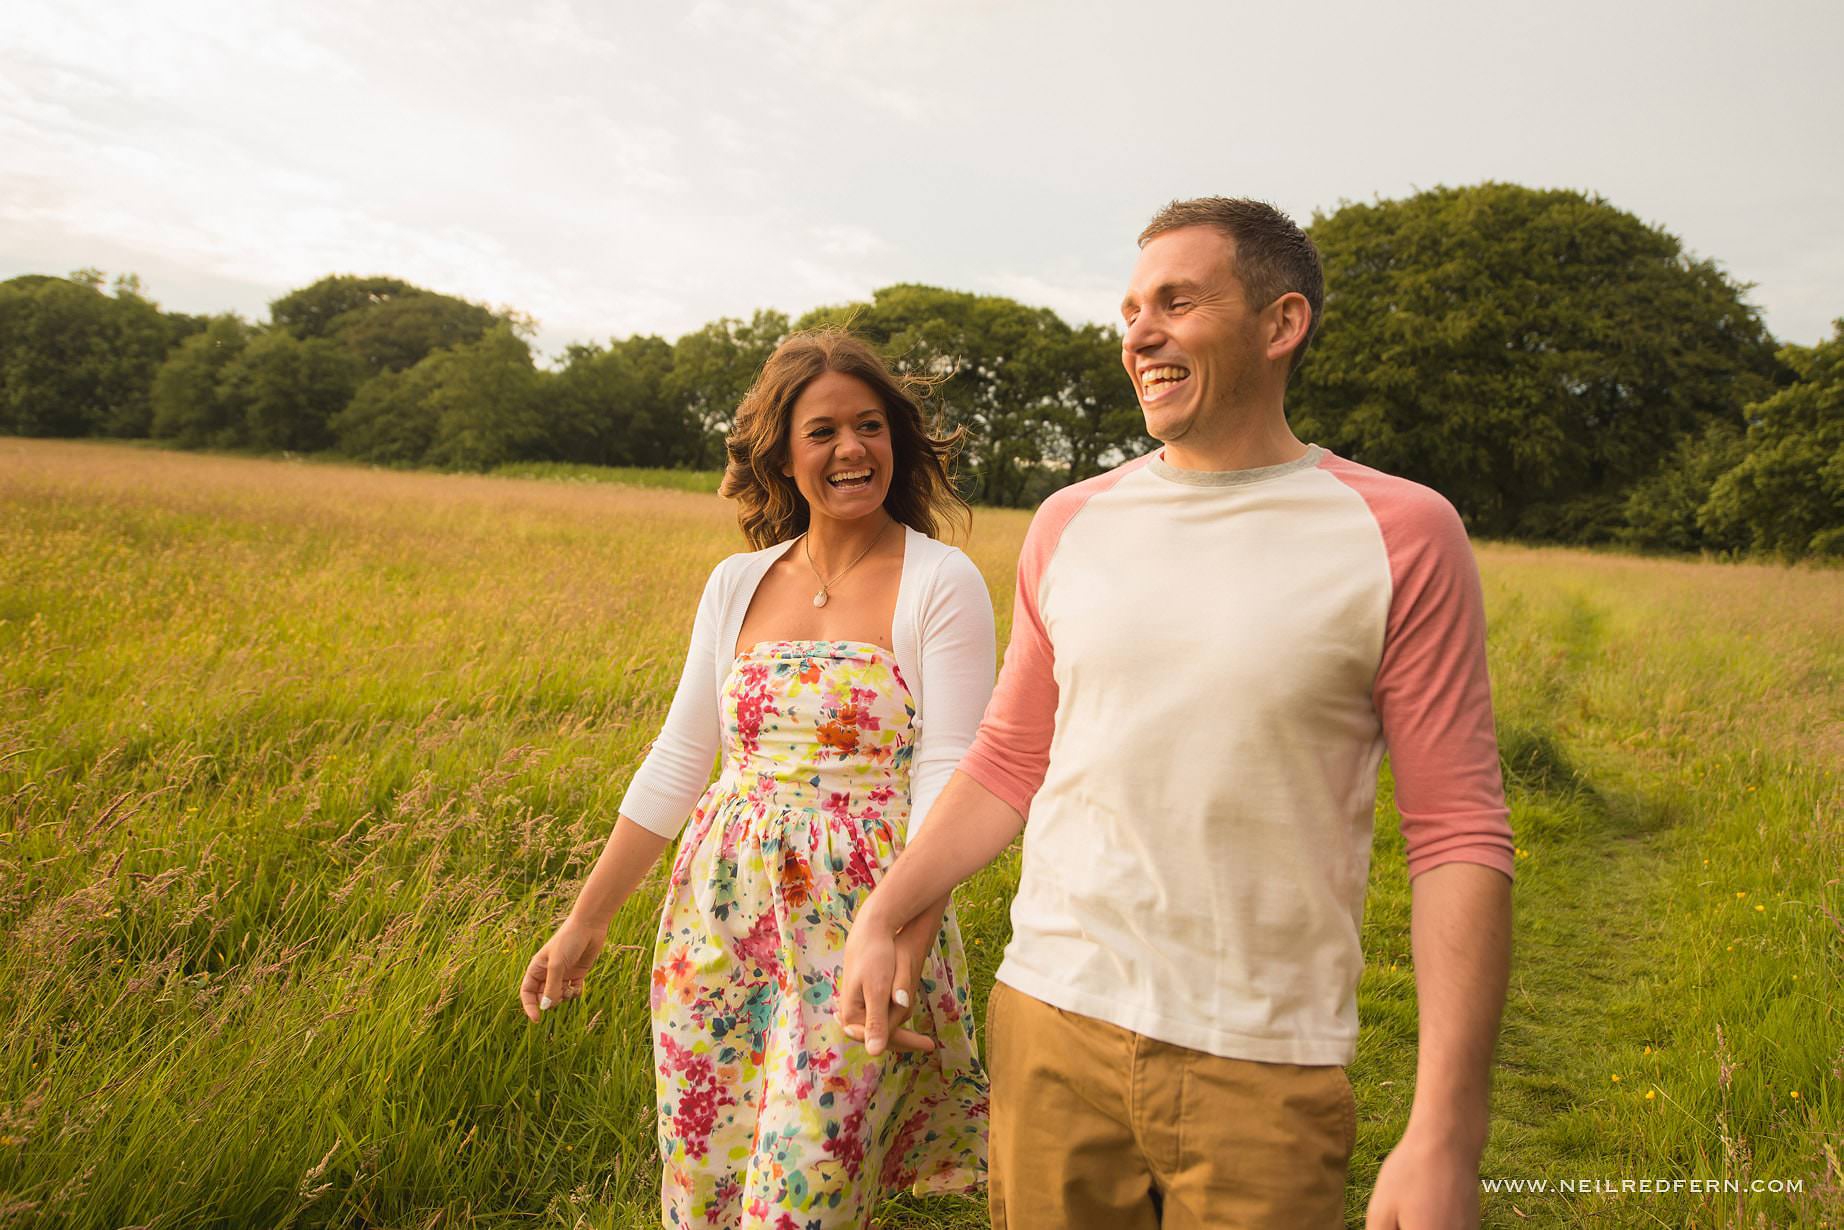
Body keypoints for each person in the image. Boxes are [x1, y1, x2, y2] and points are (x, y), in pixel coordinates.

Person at [838, 198, 1516, 1230]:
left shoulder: (1402, 533)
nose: (1137, 334)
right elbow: (1008, 761)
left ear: (1280, 324)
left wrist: (1443, 1133)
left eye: (1176, 302)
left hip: (1263, 1057)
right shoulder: (1071, 523)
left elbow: (1456, 832)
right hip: (1051, 1025)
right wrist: (888, 913)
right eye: (1128, 310)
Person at [522, 330, 994, 1228]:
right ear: (782, 451)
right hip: (717, 918)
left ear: (896, 439)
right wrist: (584, 923)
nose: (851, 450)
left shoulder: (942, 580)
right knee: (706, 1184)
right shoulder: (737, 582)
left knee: (801, 1201)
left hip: (861, 923)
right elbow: (677, 758)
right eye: (822, 432)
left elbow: (951, 775)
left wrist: (902, 942)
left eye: (869, 426)